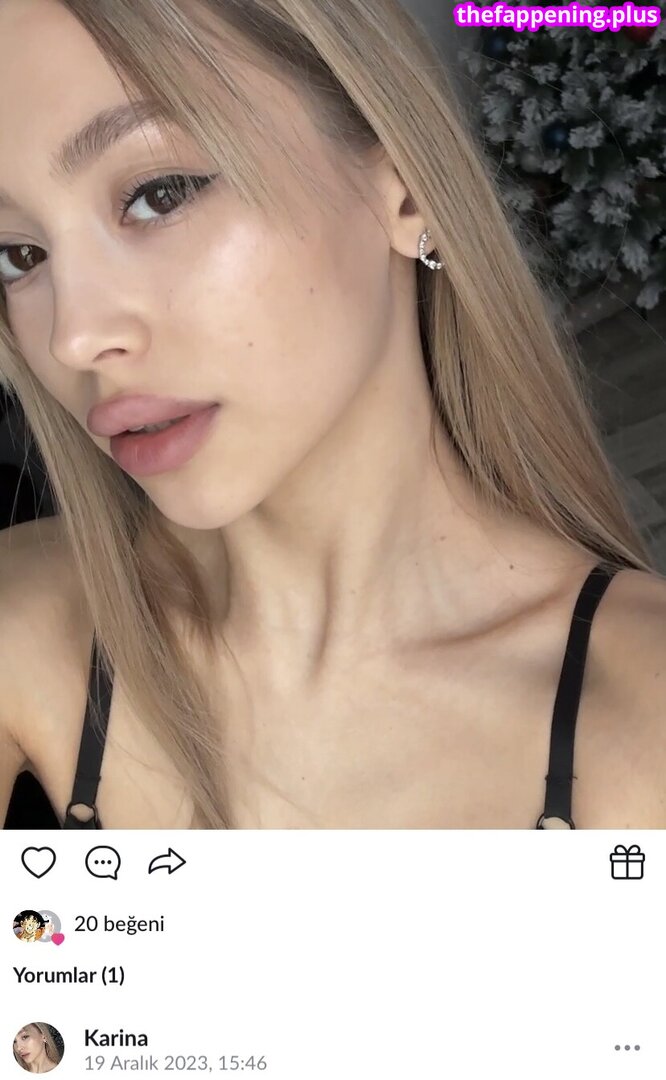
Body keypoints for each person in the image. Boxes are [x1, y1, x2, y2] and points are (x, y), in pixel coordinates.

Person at [0, 0, 664, 831]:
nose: (72, 337)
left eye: (157, 195)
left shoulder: (641, 716)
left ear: (407, 191)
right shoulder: (27, 618)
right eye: (19, 255)